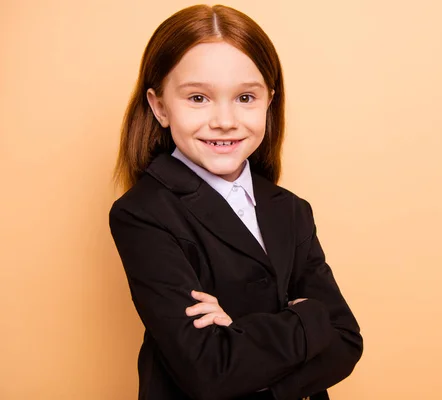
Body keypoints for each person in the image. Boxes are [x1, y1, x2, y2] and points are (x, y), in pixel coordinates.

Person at [109, 4, 362, 400]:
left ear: (269, 103)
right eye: (198, 98)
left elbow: (346, 340)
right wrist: (309, 317)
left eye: (245, 97)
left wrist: (238, 333)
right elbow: (208, 372)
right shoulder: (143, 213)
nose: (225, 120)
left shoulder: (290, 208)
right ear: (160, 107)